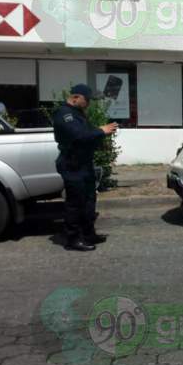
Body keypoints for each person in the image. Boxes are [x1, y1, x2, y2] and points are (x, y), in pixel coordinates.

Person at [53, 84, 118, 251]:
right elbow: (79, 135)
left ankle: (88, 234)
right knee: (75, 203)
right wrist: (102, 131)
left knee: (89, 200)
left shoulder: (78, 113)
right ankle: (72, 239)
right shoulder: (64, 113)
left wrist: (100, 140)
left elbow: (88, 134)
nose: (88, 103)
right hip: (72, 164)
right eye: (86, 100)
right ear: (75, 97)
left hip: (84, 163)